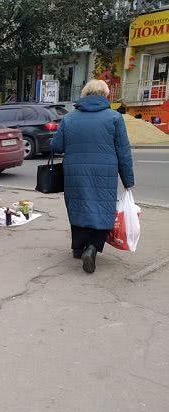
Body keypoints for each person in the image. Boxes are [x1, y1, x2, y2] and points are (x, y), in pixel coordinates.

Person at [50, 79, 135, 273]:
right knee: (102, 208)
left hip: (75, 172)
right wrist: (128, 181)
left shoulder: (70, 118)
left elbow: (56, 146)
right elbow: (123, 152)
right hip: (104, 172)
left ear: (85, 94)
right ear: (105, 96)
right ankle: (93, 247)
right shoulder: (114, 118)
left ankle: (78, 248)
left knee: (79, 205)